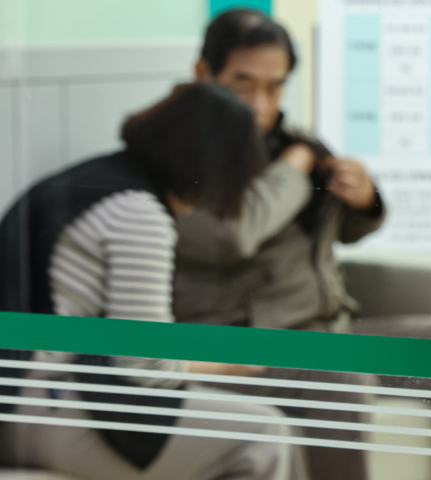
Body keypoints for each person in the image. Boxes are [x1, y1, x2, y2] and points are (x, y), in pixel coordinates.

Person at [0, 83, 308, 480]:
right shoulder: (139, 213)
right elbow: (144, 365)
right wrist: (228, 363)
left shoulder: (89, 180)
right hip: (45, 407)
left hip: (22, 401)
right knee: (264, 434)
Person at [171, 10, 385, 480]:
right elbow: (233, 234)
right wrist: (294, 167)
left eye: (274, 87)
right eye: (243, 83)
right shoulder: (176, 151)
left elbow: (342, 232)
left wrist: (364, 198)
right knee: (337, 377)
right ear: (204, 73)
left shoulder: (292, 142)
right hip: (245, 348)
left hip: (327, 329)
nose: (259, 104)